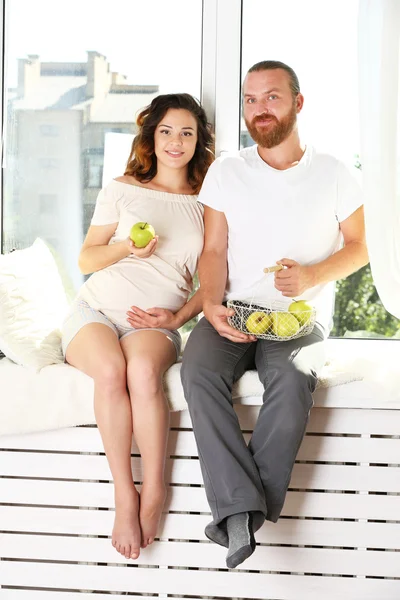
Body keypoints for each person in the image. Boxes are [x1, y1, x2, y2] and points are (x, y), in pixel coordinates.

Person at [180, 60, 369, 569]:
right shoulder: (227, 171)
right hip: (235, 309)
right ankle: (244, 509)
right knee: (196, 370)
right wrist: (213, 304)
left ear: (297, 104)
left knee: (290, 378)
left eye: (271, 97)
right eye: (250, 99)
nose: (259, 109)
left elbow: (360, 247)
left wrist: (310, 276)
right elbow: (214, 250)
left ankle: (240, 510)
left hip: (299, 317)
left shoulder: (333, 173)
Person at [62, 93, 214, 561]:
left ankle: (155, 491)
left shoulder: (208, 202)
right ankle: (125, 494)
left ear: (199, 142)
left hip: (154, 321)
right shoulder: (122, 187)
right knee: (110, 373)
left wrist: (178, 318)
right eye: (166, 130)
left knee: (144, 374)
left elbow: (212, 280)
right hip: (95, 310)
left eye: (187, 132)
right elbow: (87, 257)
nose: (175, 141)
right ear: (151, 136)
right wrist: (128, 246)